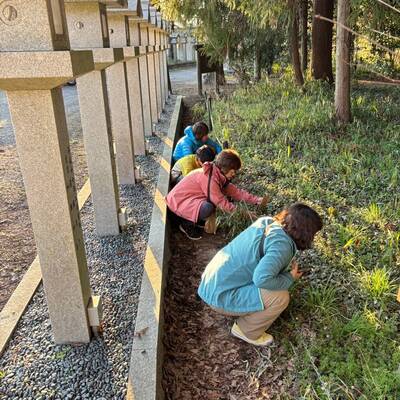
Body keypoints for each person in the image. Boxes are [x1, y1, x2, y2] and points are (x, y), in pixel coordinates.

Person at [198, 203, 323, 346]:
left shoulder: (267, 222)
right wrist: (289, 278)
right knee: (280, 297)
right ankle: (246, 331)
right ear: (306, 233)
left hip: (211, 282)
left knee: (271, 287)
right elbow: (261, 279)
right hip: (219, 296)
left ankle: (243, 308)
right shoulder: (281, 248)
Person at [166, 149, 267, 240]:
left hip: (186, 200)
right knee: (208, 207)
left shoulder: (217, 174)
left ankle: (194, 218)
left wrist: (257, 200)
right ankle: (185, 223)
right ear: (225, 169)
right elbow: (221, 203)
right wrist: (246, 214)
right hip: (176, 203)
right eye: (233, 171)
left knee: (211, 204)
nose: (234, 174)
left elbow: (236, 192)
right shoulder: (210, 178)